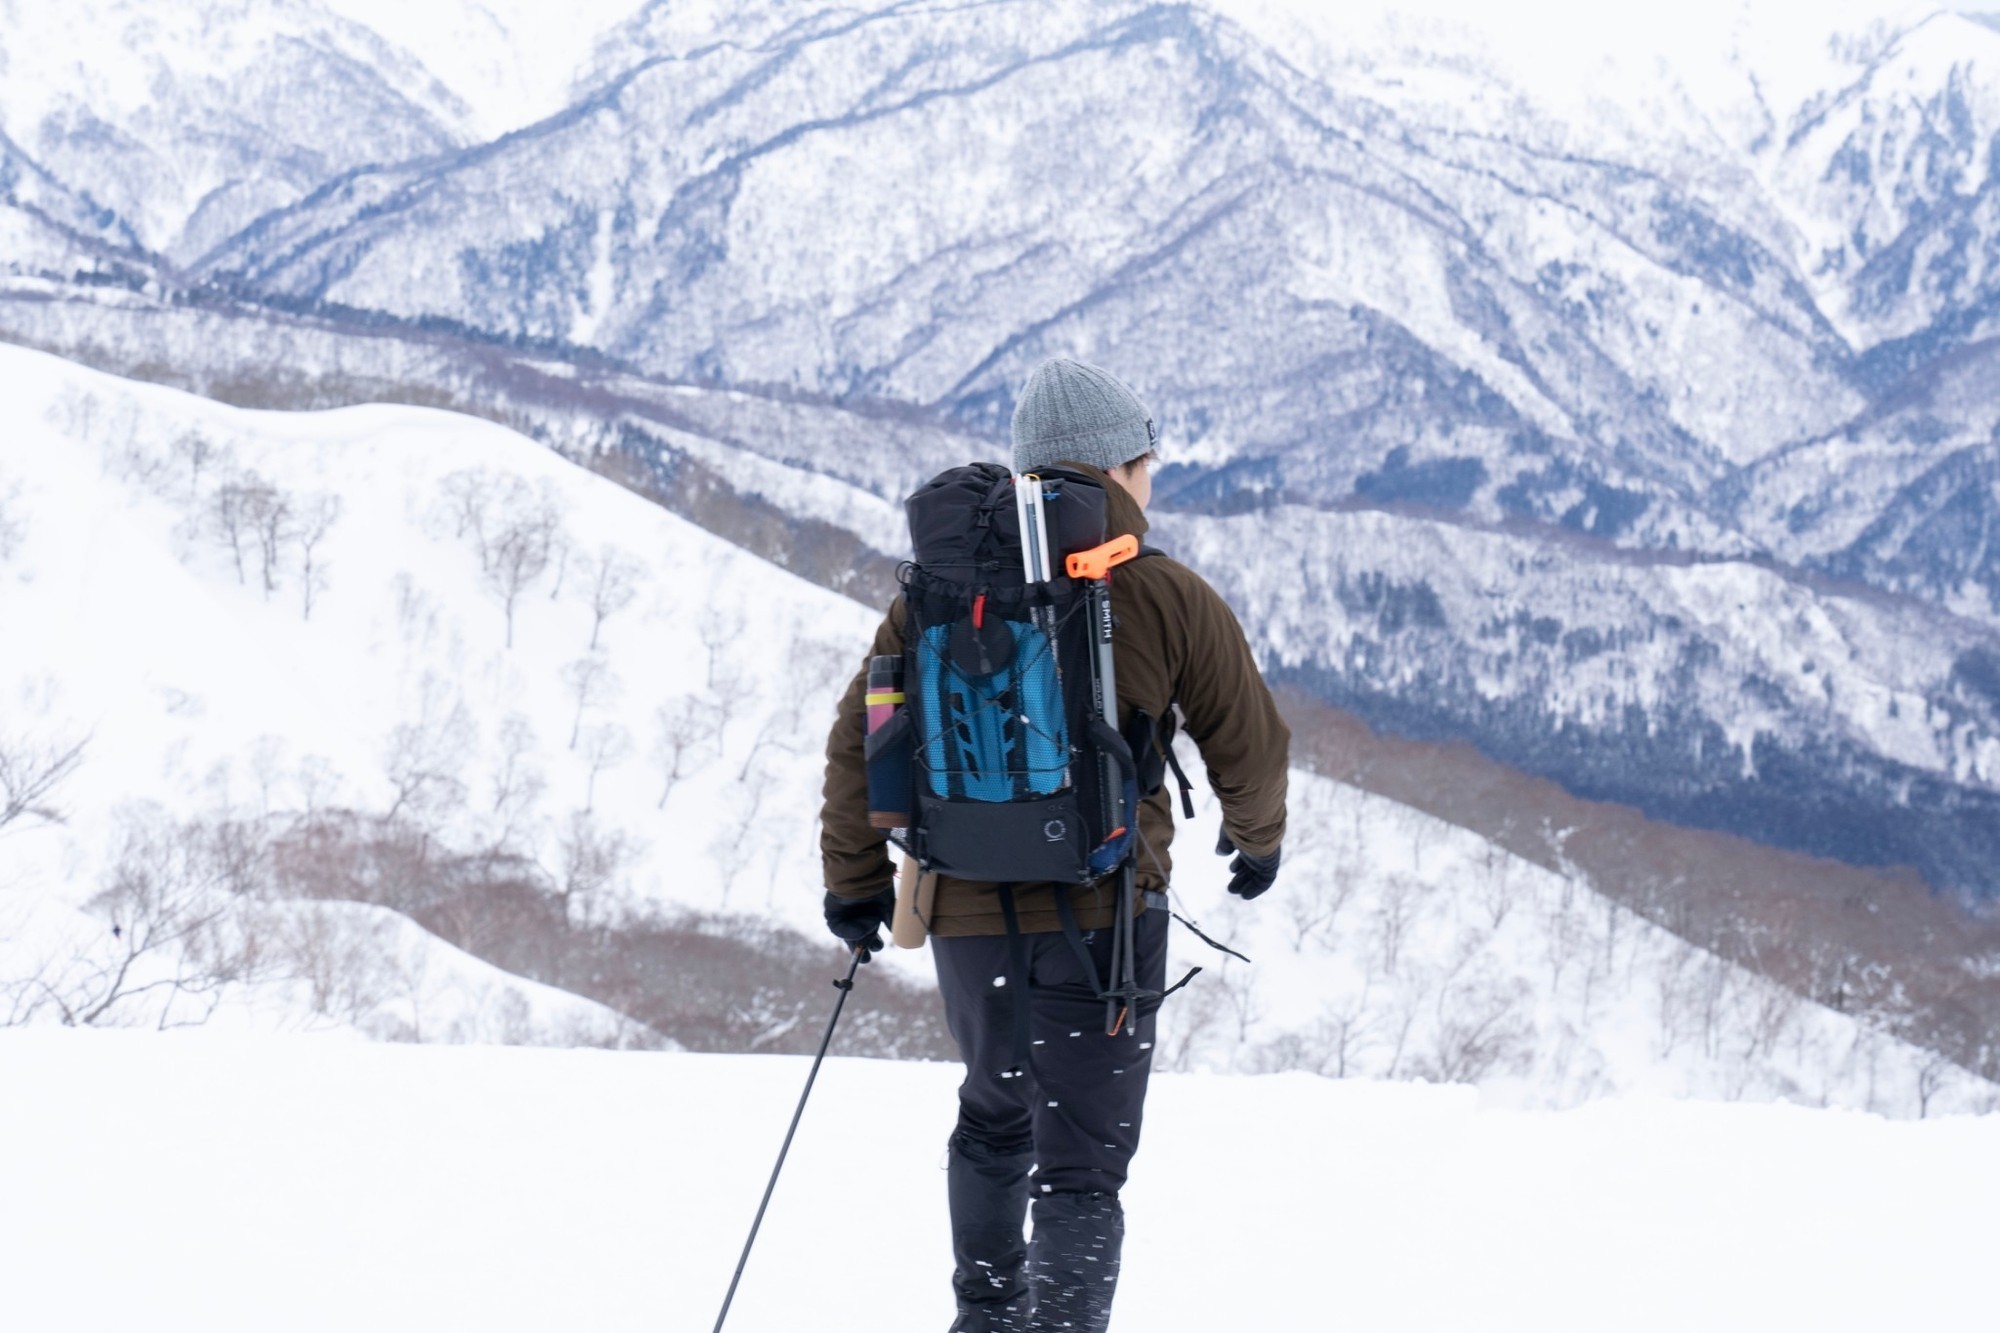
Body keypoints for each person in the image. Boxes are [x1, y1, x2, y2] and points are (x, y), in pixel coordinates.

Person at [819, 357, 1289, 1333]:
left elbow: (859, 739)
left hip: (964, 914)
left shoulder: (937, 593)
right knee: (1079, 1163)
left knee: (993, 1118)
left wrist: (853, 890)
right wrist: (1255, 843)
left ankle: (985, 1317)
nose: (1151, 481)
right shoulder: (1159, 591)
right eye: (1145, 463)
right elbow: (1247, 739)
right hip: (1102, 918)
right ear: (1115, 471)